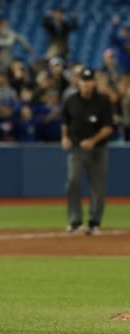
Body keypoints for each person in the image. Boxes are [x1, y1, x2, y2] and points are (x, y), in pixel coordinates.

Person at [61, 67, 114, 236]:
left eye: (89, 80)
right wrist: (65, 137)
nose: (86, 84)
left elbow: (108, 128)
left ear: (94, 82)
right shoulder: (71, 101)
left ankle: (94, 222)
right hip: (76, 149)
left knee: (97, 186)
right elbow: (65, 121)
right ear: (79, 82)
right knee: (73, 181)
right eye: (83, 80)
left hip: (98, 150)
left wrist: (93, 141)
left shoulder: (103, 102)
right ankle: (75, 222)